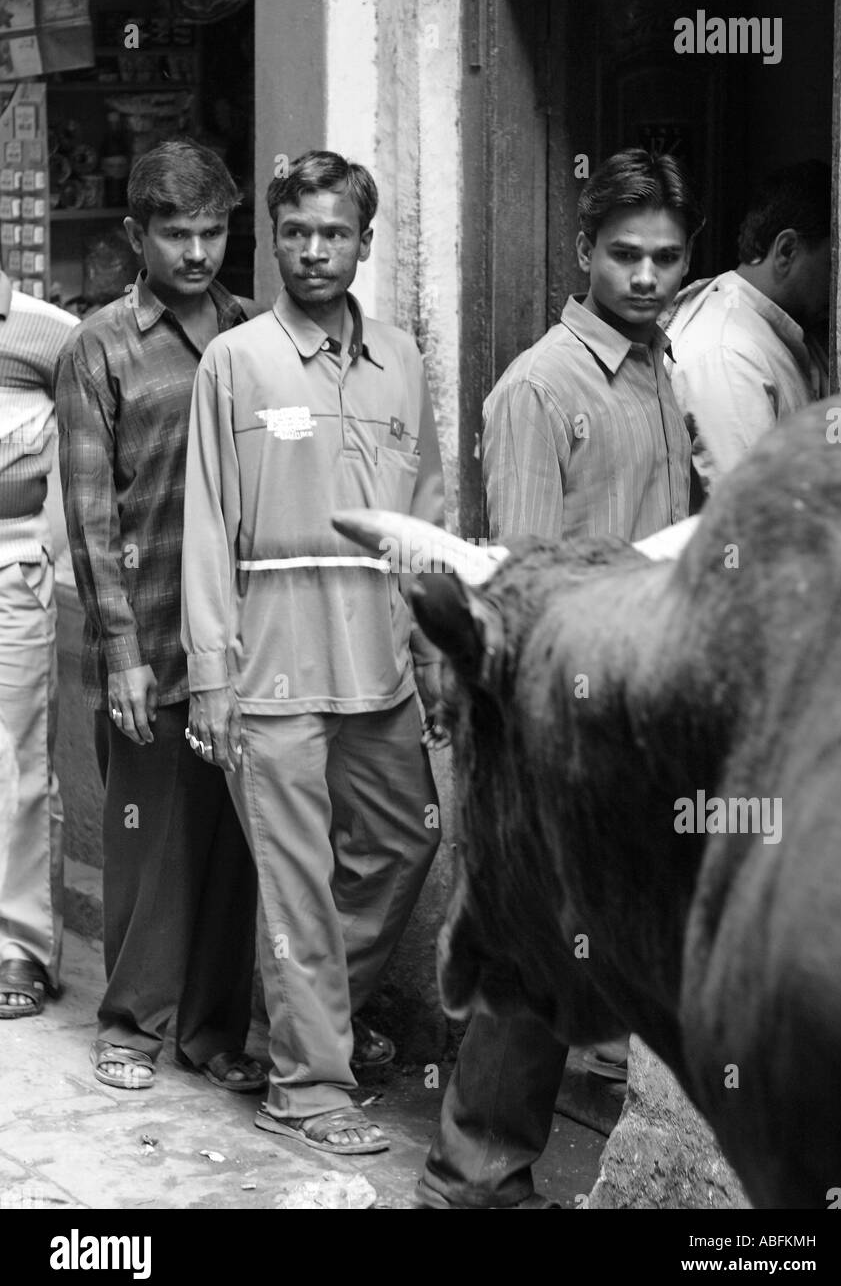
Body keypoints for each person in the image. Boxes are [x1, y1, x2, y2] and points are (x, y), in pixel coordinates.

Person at [417, 146, 705, 1208]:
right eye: (622, 254)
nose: (643, 275)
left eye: (664, 257)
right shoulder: (538, 388)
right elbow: (522, 584)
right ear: (582, 251)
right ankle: (469, 1173)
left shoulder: (659, 368)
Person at [181, 149, 446, 1155]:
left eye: (333, 232)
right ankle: (309, 1086)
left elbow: (421, 516)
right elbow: (207, 524)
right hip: (269, 672)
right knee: (293, 880)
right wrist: (211, 670)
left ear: (363, 244)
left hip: (380, 667)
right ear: (273, 239)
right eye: (294, 231)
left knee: (404, 840)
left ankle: (307, 1003)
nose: (312, 250)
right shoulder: (236, 362)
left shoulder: (404, 361)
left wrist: (436, 655)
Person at [55, 139, 264, 1093]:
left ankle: (213, 1031)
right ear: (137, 235)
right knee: (147, 832)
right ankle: (131, 1025)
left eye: (212, 230)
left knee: (229, 846)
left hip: (238, 638)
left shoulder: (250, 333)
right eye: (175, 232)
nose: (195, 250)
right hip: (144, 626)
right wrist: (123, 655)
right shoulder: (100, 344)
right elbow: (93, 514)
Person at [0, 270, 78, 1017]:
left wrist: (46, 551)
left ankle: (18, 949)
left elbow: (87, 444)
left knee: (16, 759)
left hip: (10, 569)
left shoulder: (48, 332)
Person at [665, 159, 831, 496]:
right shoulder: (725, 352)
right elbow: (751, 513)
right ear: (786, 251)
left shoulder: (789, 328)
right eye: (834, 263)